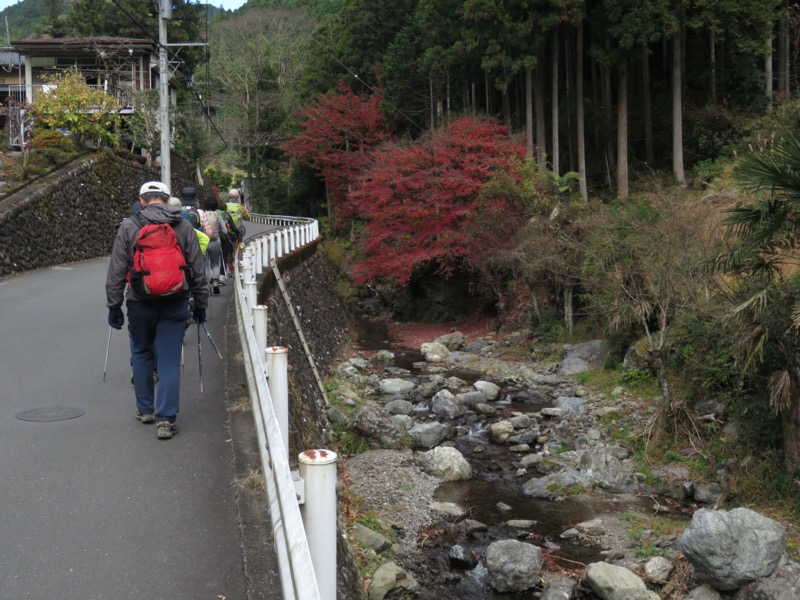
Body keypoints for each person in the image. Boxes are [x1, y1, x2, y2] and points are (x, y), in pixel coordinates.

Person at [105, 181, 208, 440]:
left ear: (142, 201)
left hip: (139, 302)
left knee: (141, 353)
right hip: (175, 302)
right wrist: (201, 304)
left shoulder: (129, 226)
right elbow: (197, 269)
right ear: (166, 198)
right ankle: (166, 420)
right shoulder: (183, 227)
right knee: (170, 360)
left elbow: (117, 269)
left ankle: (145, 410)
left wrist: (114, 305)